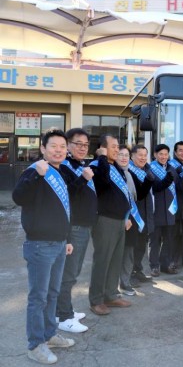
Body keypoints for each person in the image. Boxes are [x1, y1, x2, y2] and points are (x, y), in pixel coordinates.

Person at [13, 129, 76, 364]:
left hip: (59, 244)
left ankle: (49, 335)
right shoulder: (35, 171)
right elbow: (18, 198)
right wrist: (36, 176)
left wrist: (67, 239)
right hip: (40, 245)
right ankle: (35, 345)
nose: (59, 150)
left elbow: (64, 210)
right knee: (38, 297)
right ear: (43, 149)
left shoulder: (59, 172)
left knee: (52, 294)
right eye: (54, 146)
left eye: (62, 146)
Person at [56, 128, 96, 333]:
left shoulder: (79, 165)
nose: (82, 147)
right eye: (77, 143)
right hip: (74, 227)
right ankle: (63, 316)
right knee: (69, 273)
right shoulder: (63, 167)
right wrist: (84, 179)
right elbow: (68, 194)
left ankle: (63, 310)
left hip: (84, 225)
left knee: (74, 271)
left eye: (85, 144)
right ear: (68, 144)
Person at [88, 134, 132, 315]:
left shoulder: (115, 167)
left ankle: (111, 295)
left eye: (117, 146)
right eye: (113, 146)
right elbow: (104, 184)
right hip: (105, 220)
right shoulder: (96, 166)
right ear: (103, 148)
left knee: (115, 260)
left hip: (120, 220)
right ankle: (96, 300)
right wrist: (101, 157)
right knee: (103, 260)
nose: (117, 149)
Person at [116, 146, 152, 296]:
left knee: (133, 249)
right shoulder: (115, 173)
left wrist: (149, 181)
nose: (124, 158)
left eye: (126, 155)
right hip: (120, 218)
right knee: (121, 251)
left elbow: (141, 193)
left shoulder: (130, 174)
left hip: (134, 218)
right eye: (121, 155)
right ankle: (121, 282)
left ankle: (127, 279)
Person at [149, 143, 179, 275]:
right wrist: (167, 180)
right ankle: (154, 266)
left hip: (170, 210)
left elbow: (178, 186)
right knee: (155, 240)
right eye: (160, 154)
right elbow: (155, 187)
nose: (163, 156)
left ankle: (166, 264)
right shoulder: (150, 168)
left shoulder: (172, 168)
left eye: (166, 154)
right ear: (155, 155)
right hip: (157, 210)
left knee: (169, 239)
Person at [130, 145, 156, 284]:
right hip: (135, 215)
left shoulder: (147, 170)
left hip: (146, 214)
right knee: (131, 247)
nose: (143, 158)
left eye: (145, 155)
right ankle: (129, 275)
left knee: (141, 245)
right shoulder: (128, 170)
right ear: (132, 156)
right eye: (140, 155)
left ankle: (138, 270)